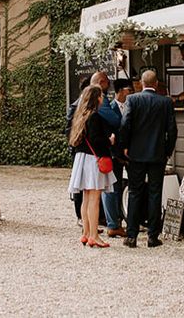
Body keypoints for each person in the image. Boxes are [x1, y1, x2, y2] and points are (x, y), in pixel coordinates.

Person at [120, 69, 178, 248]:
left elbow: (125, 124)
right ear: (156, 84)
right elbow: (172, 130)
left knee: (135, 193)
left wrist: (124, 147)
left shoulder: (132, 100)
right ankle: (153, 236)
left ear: (142, 84)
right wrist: (167, 150)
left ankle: (131, 236)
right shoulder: (165, 102)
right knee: (155, 194)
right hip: (157, 154)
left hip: (136, 154)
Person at [68, 84, 116, 248]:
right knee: (94, 199)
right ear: (96, 98)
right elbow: (97, 140)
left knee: (86, 198)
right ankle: (94, 236)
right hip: (92, 160)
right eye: (101, 96)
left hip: (82, 158)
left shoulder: (80, 115)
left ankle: (86, 233)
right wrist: (109, 141)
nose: (103, 98)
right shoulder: (94, 117)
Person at [101, 79, 132, 238]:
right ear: (121, 91)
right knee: (112, 188)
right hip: (115, 156)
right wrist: (116, 154)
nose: (132, 92)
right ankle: (113, 223)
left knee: (121, 188)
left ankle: (122, 219)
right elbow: (109, 132)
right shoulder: (110, 108)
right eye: (129, 89)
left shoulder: (131, 106)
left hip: (128, 155)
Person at [65, 75, 91, 225]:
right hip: (79, 150)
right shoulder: (75, 106)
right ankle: (80, 216)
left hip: (89, 151)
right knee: (78, 182)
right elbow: (69, 130)